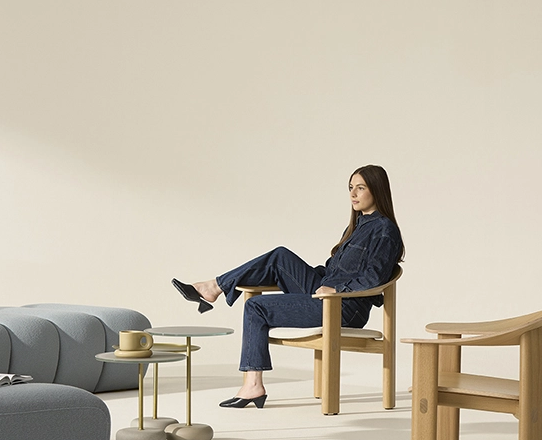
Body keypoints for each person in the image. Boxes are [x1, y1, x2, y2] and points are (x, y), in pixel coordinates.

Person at [172, 164, 404, 409]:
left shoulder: (384, 230)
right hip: (325, 291)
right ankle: (215, 286)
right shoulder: (356, 226)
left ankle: (253, 386)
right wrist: (310, 277)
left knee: (256, 307)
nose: (353, 194)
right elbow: (334, 271)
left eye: (360, 188)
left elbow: (375, 278)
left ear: (376, 190)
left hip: (345, 307)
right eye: (350, 188)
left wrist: (338, 291)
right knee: (279, 256)